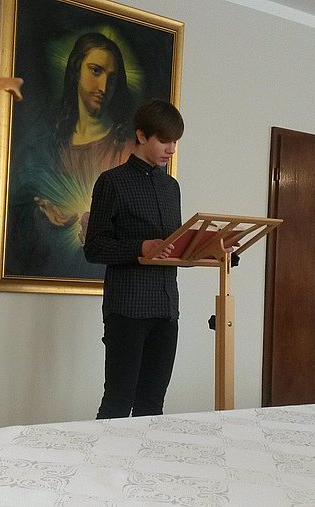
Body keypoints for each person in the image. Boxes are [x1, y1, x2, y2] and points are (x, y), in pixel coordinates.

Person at [83, 98, 184, 419]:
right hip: (127, 309)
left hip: (166, 310)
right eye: (164, 141)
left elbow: (174, 245)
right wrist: (140, 247)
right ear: (141, 136)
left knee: (152, 407)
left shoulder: (171, 188)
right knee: (117, 404)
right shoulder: (111, 182)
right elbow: (94, 248)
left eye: (175, 142)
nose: (171, 149)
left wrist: (206, 247)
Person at [6, 32, 135, 279]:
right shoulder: (45, 140)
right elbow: (17, 204)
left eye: (112, 79)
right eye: (95, 71)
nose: (103, 87)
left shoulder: (127, 148)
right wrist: (40, 213)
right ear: (76, 71)